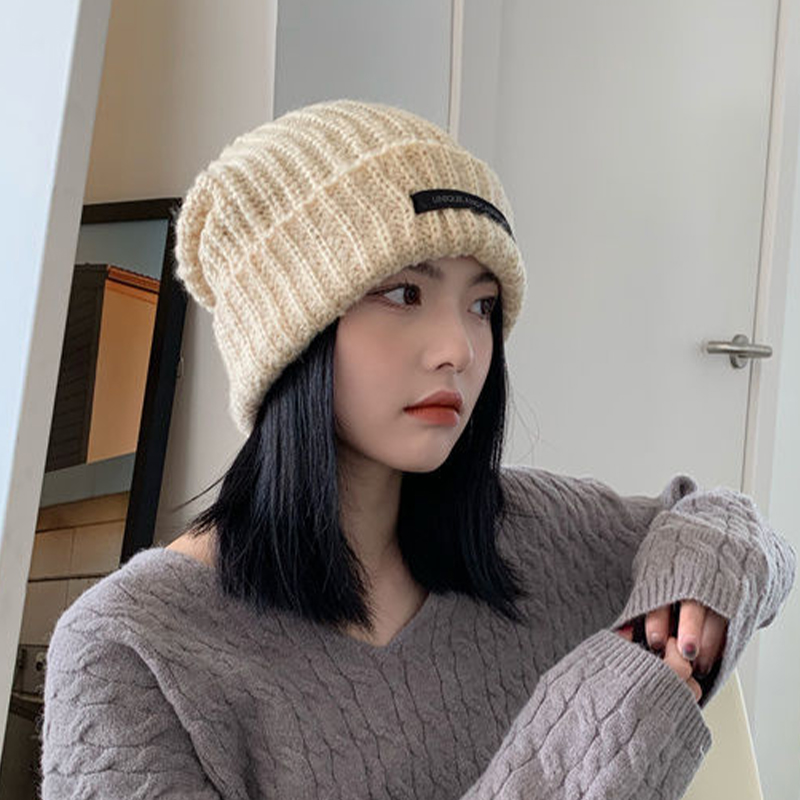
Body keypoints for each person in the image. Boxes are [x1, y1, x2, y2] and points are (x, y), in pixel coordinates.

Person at [39, 98, 796, 799]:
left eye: (482, 304)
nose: (459, 348)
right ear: (290, 336)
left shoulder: (528, 530)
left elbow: (721, 524)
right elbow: (603, 734)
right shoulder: (130, 653)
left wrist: (689, 609)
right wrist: (610, 727)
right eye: (405, 293)